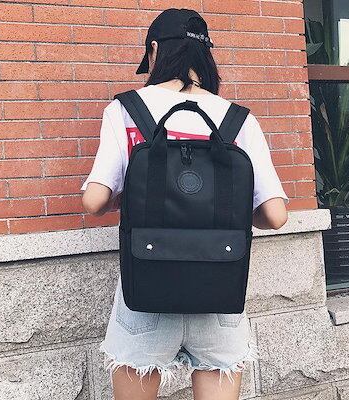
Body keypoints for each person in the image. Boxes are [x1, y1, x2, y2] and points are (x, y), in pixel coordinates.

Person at [81, 8, 289, 400]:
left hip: (146, 291)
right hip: (218, 290)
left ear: (154, 50)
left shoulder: (126, 109)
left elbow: (95, 201)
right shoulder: (238, 119)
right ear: (205, 55)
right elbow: (275, 215)